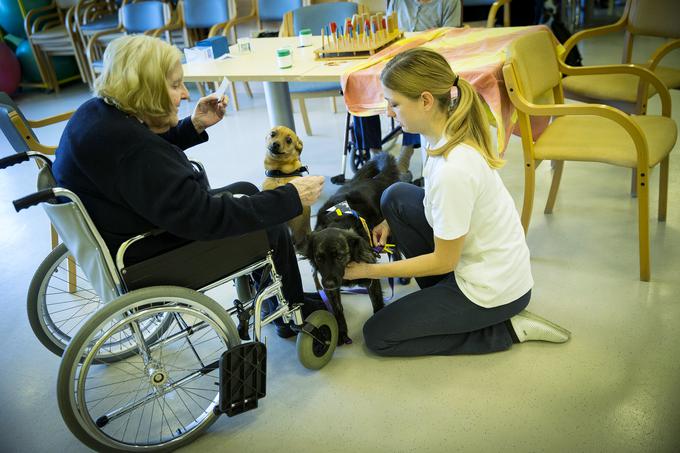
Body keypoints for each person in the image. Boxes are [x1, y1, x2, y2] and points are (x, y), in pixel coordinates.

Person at [52, 35, 325, 337]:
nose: (184, 94)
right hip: (149, 254)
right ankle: (292, 309)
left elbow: (141, 161)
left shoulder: (98, 114)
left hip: (126, 227)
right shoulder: (134, 150)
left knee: (247, 189)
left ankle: (278, 294)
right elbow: (204, 217)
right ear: (146, 88)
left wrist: (192, 126)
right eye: (174, 85)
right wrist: (290, 196)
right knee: (270, 225)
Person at [343, 48, 570, 356]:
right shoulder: (436, 130)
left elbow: (443, 261)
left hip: (492, 291)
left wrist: (368, 272)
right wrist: (390, 223)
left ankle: (503, 331)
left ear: (425, 100)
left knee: (378, 335)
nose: (387, 112)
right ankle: (445, 304)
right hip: (476, 263)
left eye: (394, 103)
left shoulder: (455, 169)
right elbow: (434, 201)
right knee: (395, 196)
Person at [353, 0, 462, 181]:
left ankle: (405, 156)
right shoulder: (397, 2)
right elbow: (389, 35)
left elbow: (449, 41)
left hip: (425, 65)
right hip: (395, 62)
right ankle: (376, 157)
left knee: (414, 93)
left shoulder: (449, 3)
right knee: (359, 83)